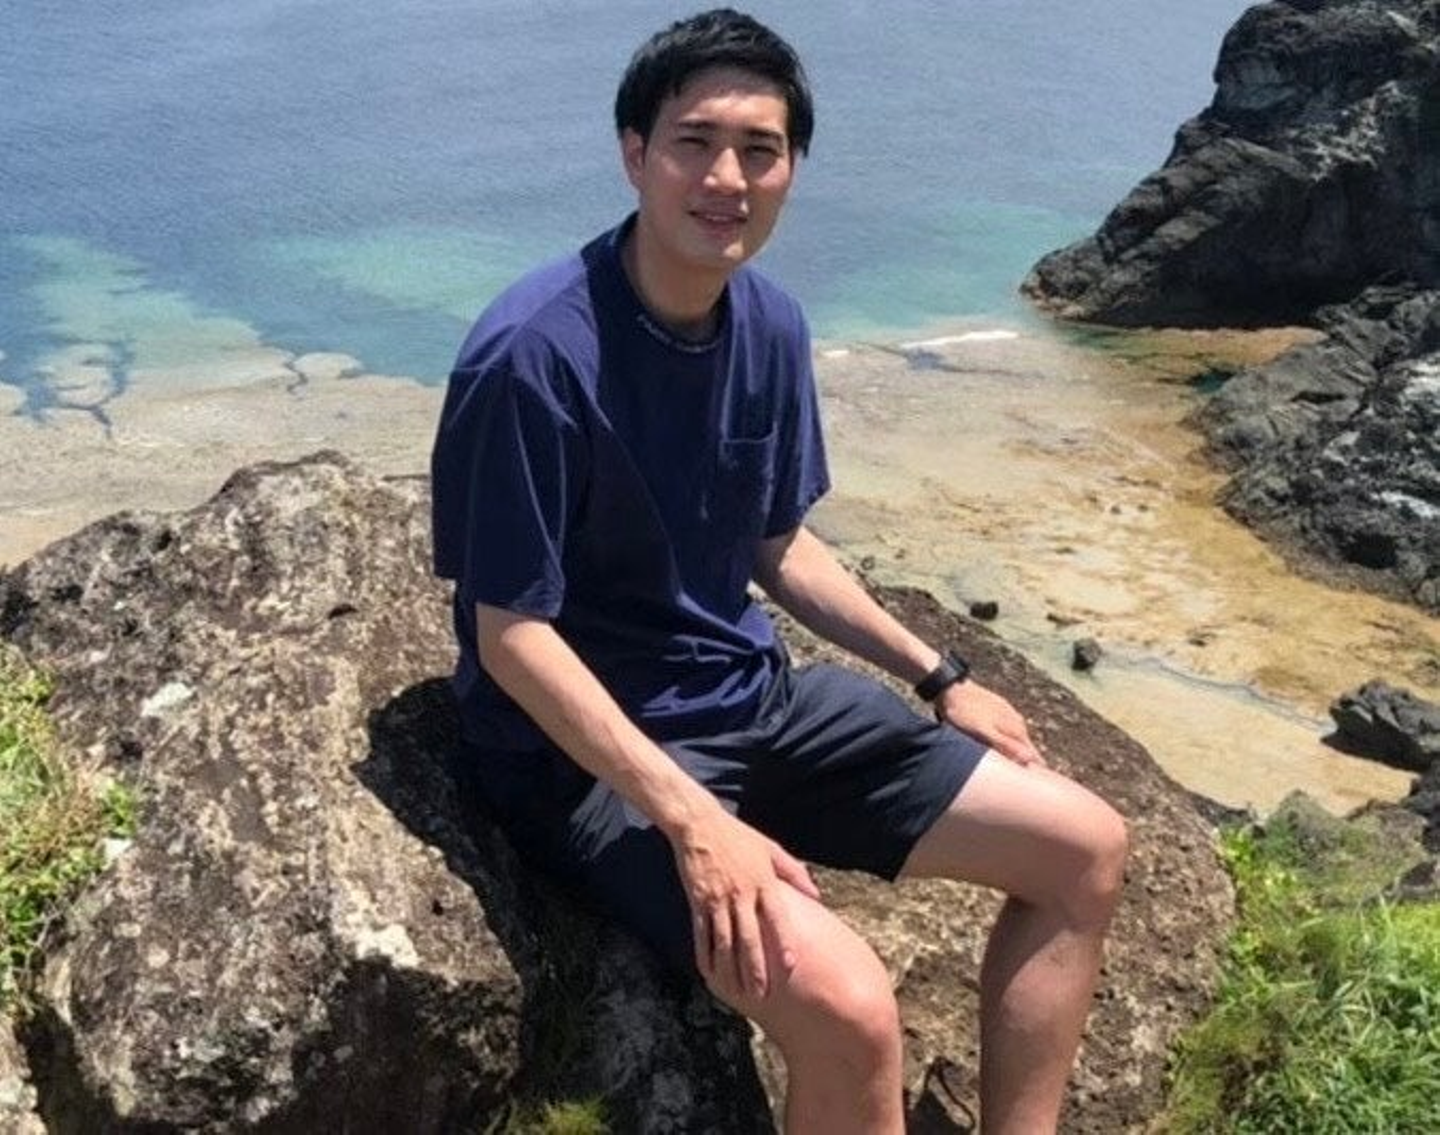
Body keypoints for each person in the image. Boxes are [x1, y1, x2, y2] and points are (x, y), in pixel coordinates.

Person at [431, 9, 1127, 1132]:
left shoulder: (766, 323)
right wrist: (693, 820)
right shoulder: (534, 356)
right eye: (694, 143)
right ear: (634, 154)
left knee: (1084, 848)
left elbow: (775, 542)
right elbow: (509, 633)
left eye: (760, 149)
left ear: (792, 168)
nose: (727, 178)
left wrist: (940, 674)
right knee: (852, 1008)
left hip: (754, 702)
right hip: (590, 767)